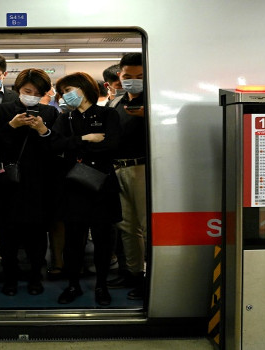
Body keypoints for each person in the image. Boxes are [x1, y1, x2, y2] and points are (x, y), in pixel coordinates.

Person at [49, 72, 121, 306]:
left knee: (103, 239)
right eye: (63, 92)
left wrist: (77, 146)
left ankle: (101, 284)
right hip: (74, 187)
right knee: (73, 240)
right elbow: (56, 145)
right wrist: (88, 138)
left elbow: (111, 145)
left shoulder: (108, 113)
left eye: (70, 89)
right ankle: (73, 284)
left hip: (102, 185)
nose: (66, 95)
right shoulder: (65, 118)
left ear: (84, 88)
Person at [0, 68, 60, 296]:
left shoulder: (50, 113)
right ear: (18, 89)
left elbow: (55, 149)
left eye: (37, 92)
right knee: (8, 233)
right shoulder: (1, 111)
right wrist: (12, 126)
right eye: (27, 90)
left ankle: (35, 277)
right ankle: (9, 277)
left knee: (37, 234)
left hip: (40, 183)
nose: (31, 95)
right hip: (8, 182)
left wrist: (42, 130)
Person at [105, 53, 147, 300]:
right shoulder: (116, 103)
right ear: (119, 76)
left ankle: (149, 274)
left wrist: (147, 117)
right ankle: (132, 273)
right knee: (126, 225)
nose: (133, 81)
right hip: (117, 168)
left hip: (142, 168)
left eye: (140, 77)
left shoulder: (153, 102)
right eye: (128, 76)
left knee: (145, 225)